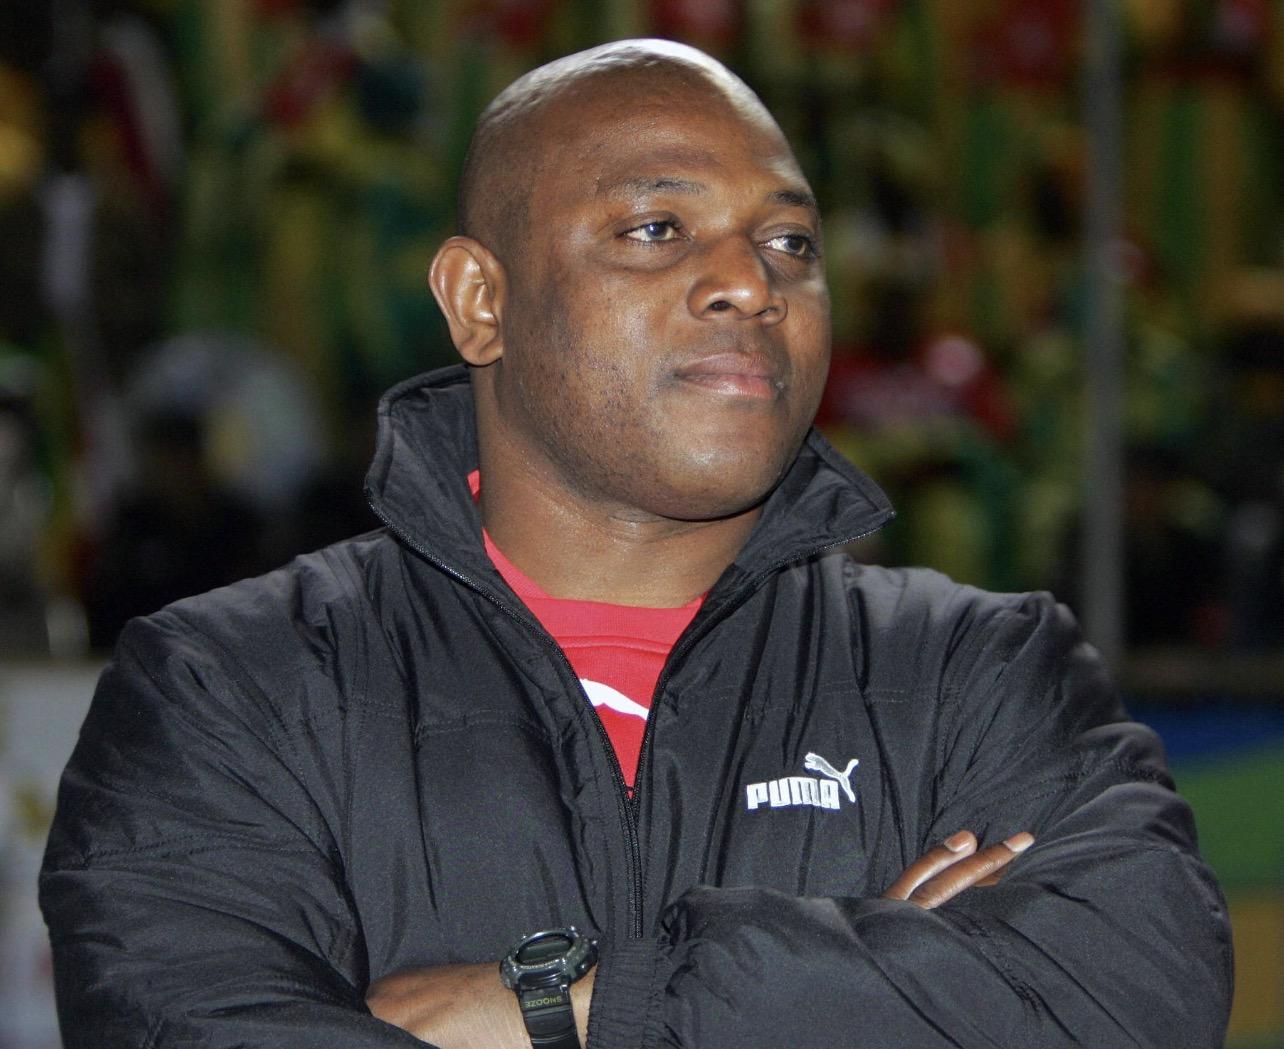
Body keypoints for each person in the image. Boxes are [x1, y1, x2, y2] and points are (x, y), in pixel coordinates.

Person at [41, 39, 1231, 1049]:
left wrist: (569, 1004)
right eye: (657, 228)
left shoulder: (979, 671)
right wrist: (882, 976)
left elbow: (1136, 990)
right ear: (480, 301)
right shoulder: (229, 688)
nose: (751, 284)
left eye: (792, 244)